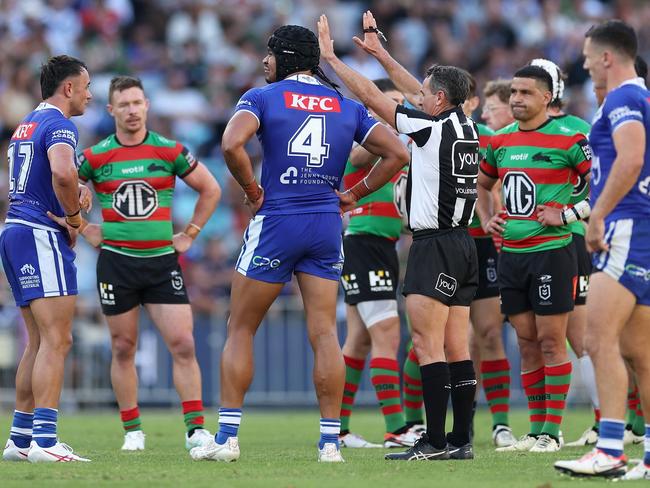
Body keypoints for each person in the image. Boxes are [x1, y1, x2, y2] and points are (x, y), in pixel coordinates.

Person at [190, 24, 409, 463]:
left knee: (241, 327)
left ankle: (227, 438)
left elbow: (232, 143)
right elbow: (398, 153)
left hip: (278, 219)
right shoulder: (344, 105)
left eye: (269, 54)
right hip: (326, 223)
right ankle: (331, 443)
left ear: (286, 56)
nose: (264, 62)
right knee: (326, 332)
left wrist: (252, 192)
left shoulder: (261, 97)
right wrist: (355, 193)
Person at [320, 11, 480, 461]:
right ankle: (460, 440)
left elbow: (372, 95)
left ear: (439, 99)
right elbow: (413, 88)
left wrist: (332, 58)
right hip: (463, 243)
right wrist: (381, 53)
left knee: (428, 345)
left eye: (425, 94)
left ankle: (430, 440)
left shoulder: (428, 128)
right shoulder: (464, 126)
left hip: (434, 245)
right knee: (456, 346)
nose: (417, 96)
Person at [75, 76, 221, 451]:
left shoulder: (169, 151)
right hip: (117, 264)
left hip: (161, 263)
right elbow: (59, 188)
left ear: (148, 106)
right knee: (123, 347)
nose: (132, 110)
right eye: (124, 105)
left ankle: (195, 429)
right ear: (111, 110)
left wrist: (189, 233)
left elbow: (211, 188)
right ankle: (133, 432)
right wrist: (82, 227)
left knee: (183, 344)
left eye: (138, 103)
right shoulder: (96, 156)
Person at [554, 20, 650, 480]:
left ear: (608, 57)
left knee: (596, 340)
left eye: (590, 55)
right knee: (638, 353)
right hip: (641, 231)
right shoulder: (642, 97)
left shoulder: (624, 98)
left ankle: (610, 449)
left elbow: (630, 158)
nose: (586, 62)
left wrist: (597, 215)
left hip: (625, 230)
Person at [478, 64, 591, 453]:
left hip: (553, 253)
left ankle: (552, 431)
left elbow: (605, 184)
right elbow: (482, 183)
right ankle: (537, 427)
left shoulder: (570, 137)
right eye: (513, 92)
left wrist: (568, 214)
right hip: (512, 255)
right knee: (526, 342)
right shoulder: (500, 140)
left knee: (550, 340)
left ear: (547, 97)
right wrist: (486, 218)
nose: (516, 99)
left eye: (525, 92)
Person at [1, 55, 92, 463]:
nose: (90, 94)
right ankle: (45, 441)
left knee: (36, 341)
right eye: (86, 86)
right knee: (58, 339)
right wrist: (74, 217)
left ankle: (19, 441)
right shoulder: (60, 124)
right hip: (40, 232)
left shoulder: (26, 124)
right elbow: (62, 173)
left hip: (14, 229)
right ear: (68, 88)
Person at [338, 78, 418, 449]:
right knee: (388, 334)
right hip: (365, 243)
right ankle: (397, 428)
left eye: (401, 104)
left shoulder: (399, 149)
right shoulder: (366, 138)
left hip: (380, 244)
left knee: (357, 343)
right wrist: (386, 126)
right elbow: (355, 158)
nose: (396, 110)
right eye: (390, 103)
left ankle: (336, 428)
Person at [529, 58, 600, 448]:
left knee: (579, 338)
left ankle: (608, 421)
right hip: (530, 245)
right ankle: (541, 427)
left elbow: (597, 183)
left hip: (568, 238)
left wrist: (571, 215)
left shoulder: (577, 129)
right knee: (538, 339)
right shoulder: (513, 132)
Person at [466, 76, 517, 448]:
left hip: (481, 243)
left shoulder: (489, 138)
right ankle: (416, 424)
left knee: (487, 333)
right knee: (432, 340)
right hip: (442, 241)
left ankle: (500, 424)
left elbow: (494, 185)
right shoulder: (428, 129)